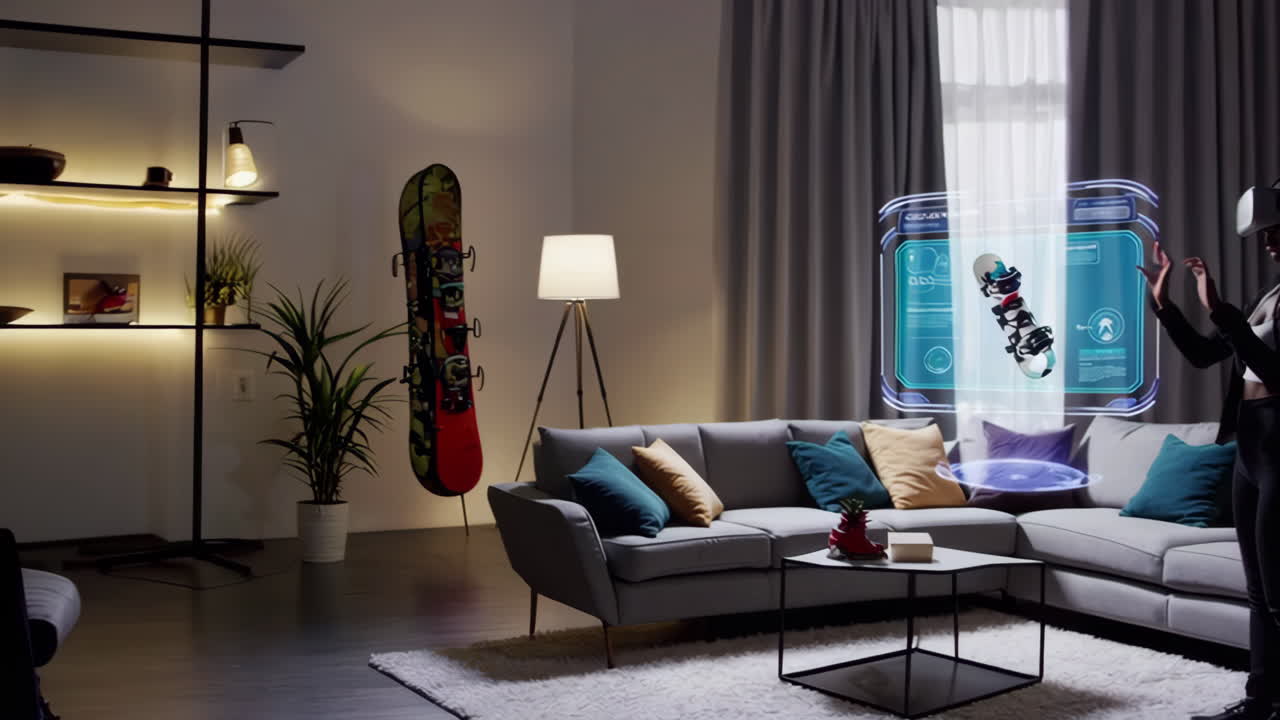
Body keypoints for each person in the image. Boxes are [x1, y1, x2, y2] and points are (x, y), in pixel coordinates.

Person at [1138, 220, 1280, 720]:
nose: (1266, 239)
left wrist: (1220, 310)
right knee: (1259, 592)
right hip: (1250, 442)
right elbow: (1204, 355)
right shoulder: (1270, 294)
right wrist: (1166, 304)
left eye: (1277, 228)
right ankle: (1259, 702)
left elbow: (1273, 369)